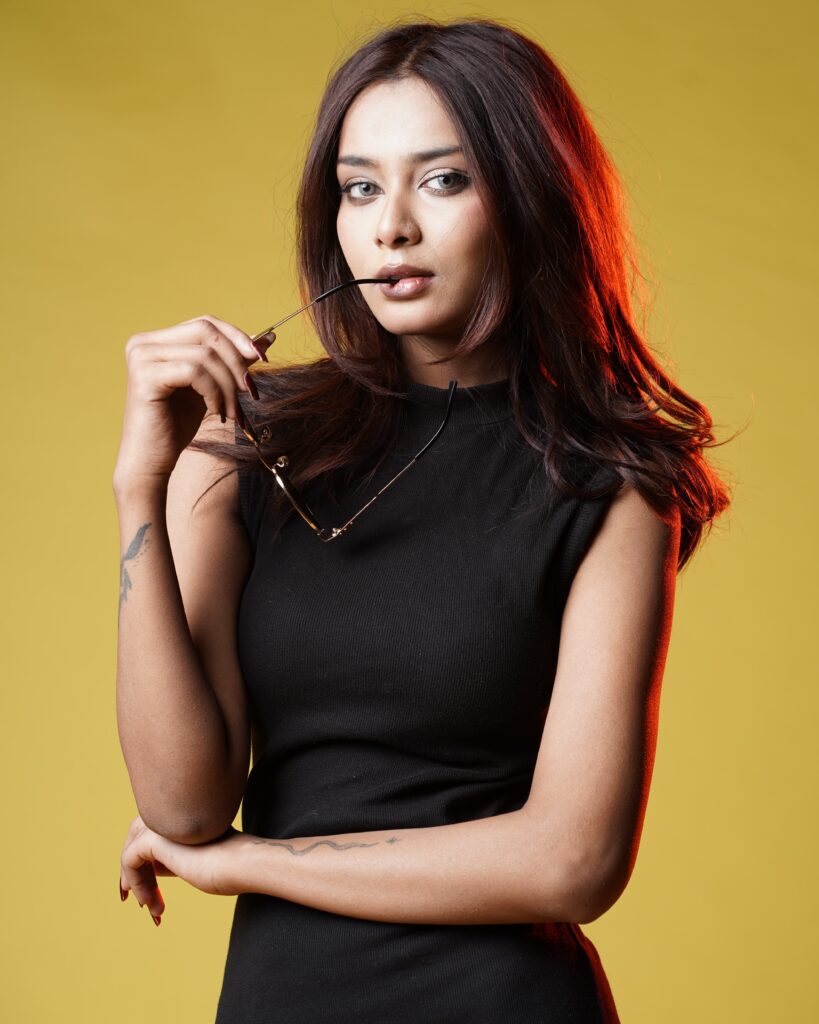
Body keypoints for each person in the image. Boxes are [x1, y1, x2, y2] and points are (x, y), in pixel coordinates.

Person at [113, 17, 732, 1023]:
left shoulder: (610, 484)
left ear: (527, 198)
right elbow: (182, 804)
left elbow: (573, 861)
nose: (390, 227)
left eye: (443, 180)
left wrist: (251, 863)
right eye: (360, 188)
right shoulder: (245, 441)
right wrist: (139, 486)